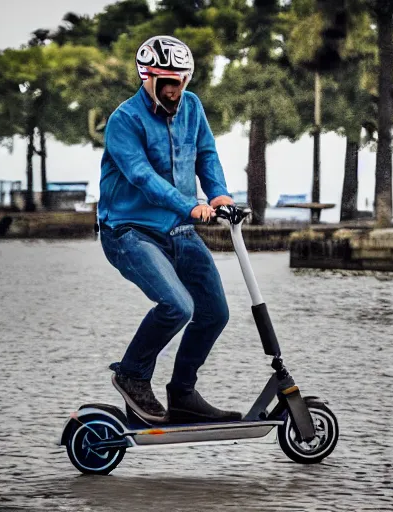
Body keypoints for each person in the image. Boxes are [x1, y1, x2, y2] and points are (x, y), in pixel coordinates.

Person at [98, 35, 242, 424]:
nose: (172, 88)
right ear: (146, 77)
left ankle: (182, 393)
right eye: (164, 80)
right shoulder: (124, 120)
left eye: (178, 80)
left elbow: (207, 154)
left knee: (214, 312)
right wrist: (189, 206)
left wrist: (219, 196)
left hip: (177, 231)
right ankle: (132, 374)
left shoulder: (192, 107)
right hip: (128, 232)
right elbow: (142, 176)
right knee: (177, 306)